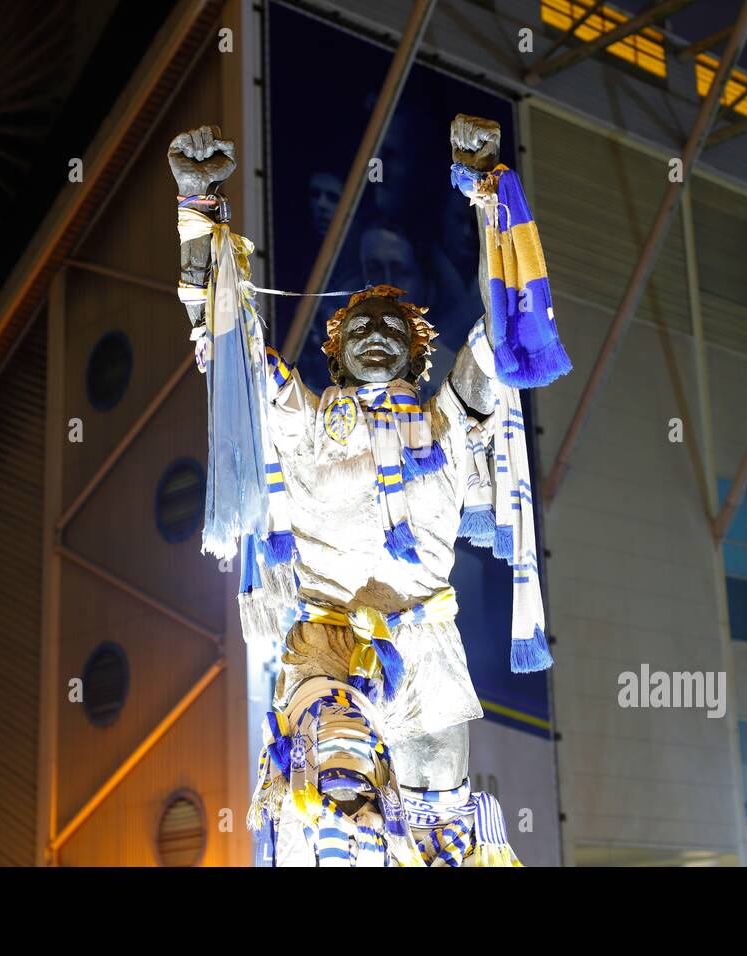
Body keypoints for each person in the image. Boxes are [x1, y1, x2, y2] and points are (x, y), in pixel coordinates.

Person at [168, 115, 566, 866]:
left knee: (443, 833)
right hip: (329, 647)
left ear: (420, 358)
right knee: (338, 814)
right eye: (361, 324)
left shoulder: (448, 424)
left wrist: (487, 192)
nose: (377, 329)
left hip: (428, 644)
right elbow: (226, 346)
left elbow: (499, 332)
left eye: (394, 323)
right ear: (337, 354)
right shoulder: (302, 420)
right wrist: (199, 209)